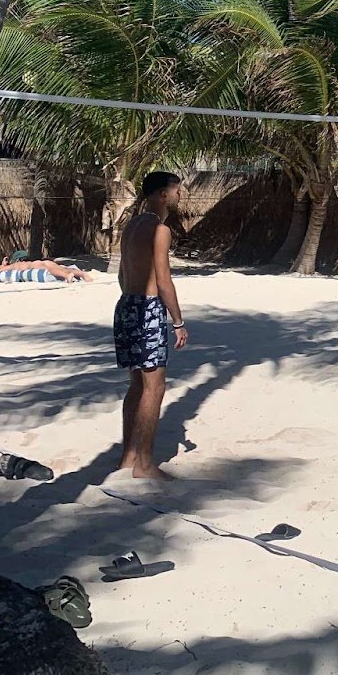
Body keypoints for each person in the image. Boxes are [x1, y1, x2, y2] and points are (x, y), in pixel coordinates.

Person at [113, 172, 188, 480]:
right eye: (177, 191)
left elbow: (121, 274)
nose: (181, 196)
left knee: (136, 386)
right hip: (148, 309)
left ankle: (128, 457)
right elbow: (164, 282)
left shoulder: (131, 226)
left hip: (126, 305)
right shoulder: (160, 230)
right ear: (162, 195)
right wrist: (178, 322)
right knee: (154, 388)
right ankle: (144, 464)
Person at [0, 252, 93, 283]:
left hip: (36, 266)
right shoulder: (29, 261)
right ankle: (83, 274)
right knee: (61, 268)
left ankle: (67, 276)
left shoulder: (15, 265)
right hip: (43, 262)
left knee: (50, 271)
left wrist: (2, 266)